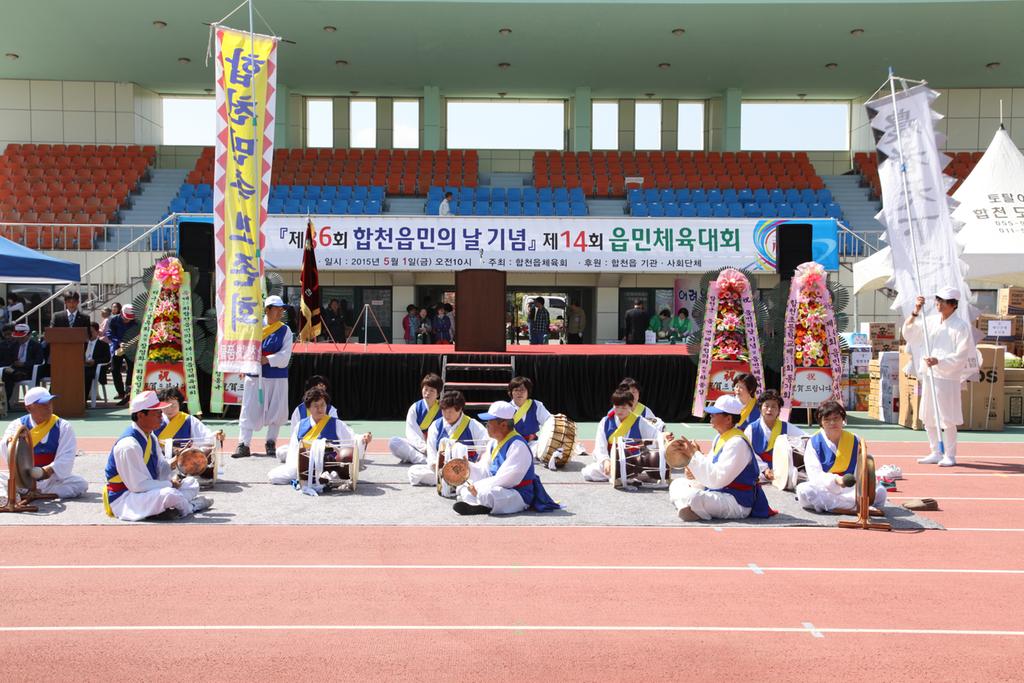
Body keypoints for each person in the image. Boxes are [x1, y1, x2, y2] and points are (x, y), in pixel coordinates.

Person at [102, 390, 213, 521]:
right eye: (157, 413)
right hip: (126, 497)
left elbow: (160, 467)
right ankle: (191, 506)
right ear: (141, 415)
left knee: (191, 482)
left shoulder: (150, 436)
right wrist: (170, 484)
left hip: (145, 492)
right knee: (170, 494)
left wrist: (179, 460)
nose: (161, 416)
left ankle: (170, 507)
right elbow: (137, 486)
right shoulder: (129, 445)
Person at [668, 395, 774, 521]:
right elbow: (711, 467)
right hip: (719, 491)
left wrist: (694, 456)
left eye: (715, 414)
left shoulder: (737, 443)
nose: (711, 416)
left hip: (736, 501)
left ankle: (691, 506)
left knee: (693, 497)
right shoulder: (720, 437)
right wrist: (693, 468)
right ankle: (691, 508)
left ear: (728, 419)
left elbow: (717, 479)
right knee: (677, 483)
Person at [902, 288, 975, 467]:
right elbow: (910, 334)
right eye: (938, 300)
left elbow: (962, 354)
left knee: (947, 416)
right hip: (929, 374)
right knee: (928, 415)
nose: (939, 304)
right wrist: (916, 310)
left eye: (943, 301)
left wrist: (940, 361)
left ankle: (950, 454)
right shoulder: (931, 321)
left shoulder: (961, 326)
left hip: (947, 376)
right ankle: (935, 451)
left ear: (953, 305)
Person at [453, 400, 560, 516]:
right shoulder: (493, 443)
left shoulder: (518, 445)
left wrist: (478, 487)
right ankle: (479, 505)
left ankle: (481, 505)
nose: (487, 424)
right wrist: (468, 467)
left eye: (490, 421)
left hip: (517, 493)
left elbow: (507, 479)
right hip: (497, 485)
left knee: (488, 493)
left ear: (503, 425)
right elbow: (485, 469)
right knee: (465, 487)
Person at [795, 400, 888, 513]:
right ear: (821, 422)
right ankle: (856, 507)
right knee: (804, 490)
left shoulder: (855, 440)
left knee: (881, 491)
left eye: (836, 418)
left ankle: (840, 506)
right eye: (827, 419)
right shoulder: (813, 442)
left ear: (843, 419)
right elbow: (814, 474)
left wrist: (858, 486)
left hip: (851, 489)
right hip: (825, 488)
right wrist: (836, 480)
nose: (832, 422)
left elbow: (861, 470)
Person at [268, 386, 371, 486]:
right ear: (308, 408)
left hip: (330, 465)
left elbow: (352, 439)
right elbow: (293, 450)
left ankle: (324, 478)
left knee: (335, 474)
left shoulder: (336, 424)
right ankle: (312, 478)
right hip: (306, 466)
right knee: (273, 476)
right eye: (316, 406)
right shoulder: (301, 425)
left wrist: (363, 439)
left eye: (323, 405)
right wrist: (297, 468)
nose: (320, 409)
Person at [0, 387, 88, 500]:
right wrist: (16, 441)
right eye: (43, 404)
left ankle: (37, 493)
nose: (48, 407)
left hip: (49, 479)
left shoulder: (63, 426)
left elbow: (67, 456)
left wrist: (46, 471)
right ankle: (5, 497)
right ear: (29, 408)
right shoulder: (17, 425)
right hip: (21, 479)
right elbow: (6, 449)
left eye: (50, 402)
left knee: (80, 484)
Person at [232, 295, 293, 459]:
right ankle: (243, 444)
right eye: (277, 309)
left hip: (277, 376)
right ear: (267, 310)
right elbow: (243, 348)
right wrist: (244, 364)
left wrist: (268, 359)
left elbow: (286, 355)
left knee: (277, 410)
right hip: (254, 374)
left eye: (282, 309)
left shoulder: (285, 330)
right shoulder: (253, 327)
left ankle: (271, 442)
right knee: (249, 409)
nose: (280, 312)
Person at [410, 390, 488, 486]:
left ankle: (452, 482)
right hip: (442, 470)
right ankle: (452, 481)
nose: (447, 415)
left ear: (459, 409)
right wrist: (440, 471)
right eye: (444, 411)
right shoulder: (435, 426)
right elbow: (432, 454)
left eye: (450, 411)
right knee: (413, 472)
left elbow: (485, 450)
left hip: (467, 469)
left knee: (483, 472)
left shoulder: (473, 425)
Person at [582, 388, 661, 482]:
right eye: (616, 406)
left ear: (631, 406)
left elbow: (655, 435)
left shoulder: (640, 421)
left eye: (623, 407)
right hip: (612, 461)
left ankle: (624, 475)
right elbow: (600, 445)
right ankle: (622, 475)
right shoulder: (605, 421)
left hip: (634, 463)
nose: (619, 410)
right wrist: (605, 460)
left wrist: (663, 436)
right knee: (588, 472)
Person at [744, 389, 806, 482]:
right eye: (766, 406)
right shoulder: (751, 429)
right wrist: (764, 469)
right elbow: (747, 452)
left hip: (782, 470)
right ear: (760, 408)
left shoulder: (786, 426)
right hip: (758, 469)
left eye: (774, 407)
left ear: (779, 411)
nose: (770, 409)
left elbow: (805, 437)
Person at [389, 373, 444, 465]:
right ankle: (426, 461)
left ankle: (419, 459)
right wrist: (424, 448)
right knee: (393, 442)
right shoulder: (415, 408)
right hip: (420, 447)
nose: (427, 393)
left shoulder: (443, 409)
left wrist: (432, 448)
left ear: (438, 394)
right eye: (425, 389)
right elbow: (411, 433)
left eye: (432, 391)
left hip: (436, 447)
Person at [156, 386, 219, 451]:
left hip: (183, 458)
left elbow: (207, 438)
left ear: (179, 404)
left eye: (173, 405)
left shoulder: (189, 420)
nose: (169, 409)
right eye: (166, 406)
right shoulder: (155, 419)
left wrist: (216, 435)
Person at [1, 323, 44, 410]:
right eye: (18, 336)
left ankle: (15, 374)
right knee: (5, 376)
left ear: (29, 335)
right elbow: (9, 359)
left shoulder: (36, 345)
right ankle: (6, 403)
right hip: (15, 370)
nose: (19, 338)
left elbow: (39, 361)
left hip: (29, 370)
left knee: (8, 375)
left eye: (22, 336)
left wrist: (24, 364)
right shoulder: (14, 345)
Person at [507, 376, 553, 446]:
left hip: (533, 444)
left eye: (523, 390)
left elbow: (549, 423)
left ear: (528, 391)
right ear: (511, 393)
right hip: (512, 445)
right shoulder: (506, 408)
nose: (520, 393)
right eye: (516, 390)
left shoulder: (537, 405)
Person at [108, 304, 138, 406]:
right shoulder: (113, 320)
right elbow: (110, 333)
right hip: (118, 347)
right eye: (126, 318)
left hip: (131, 348)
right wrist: (119, 342)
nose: (127, 321)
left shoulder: (136, 321)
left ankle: (128, 392)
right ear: (121, 313)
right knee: (114, 369)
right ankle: (120, 392)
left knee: (131, 369)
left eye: (129, 319)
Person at [84, 321, 111, 399]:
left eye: (91, 332)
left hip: (95, 368)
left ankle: (83, 400)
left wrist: (95, 361)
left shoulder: (103, 345)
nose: (89, 334)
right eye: (88, 332)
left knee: (86, 375)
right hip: (82, 366)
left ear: (97, 332)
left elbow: (107, 358)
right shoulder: (82, 344)